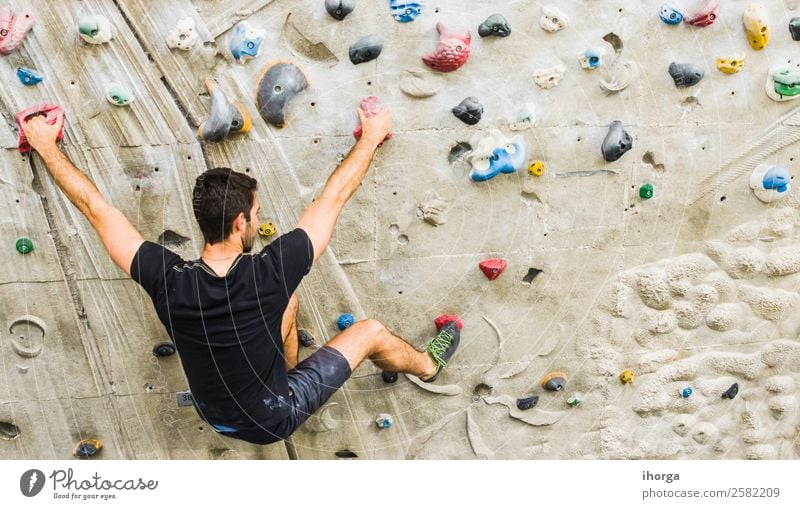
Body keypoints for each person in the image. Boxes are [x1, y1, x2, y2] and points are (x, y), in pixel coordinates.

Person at [23, 106, 461, 445]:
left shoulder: (166, 277)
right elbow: (333, 199)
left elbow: (95, 208)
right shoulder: (271, 270)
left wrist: (44, 144)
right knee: (369, 331)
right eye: (255, 214)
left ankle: (286, 370)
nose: (258, 219)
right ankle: (427, 366)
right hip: (273, 419)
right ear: (239, 223)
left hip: (214, 415)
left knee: (287, 301)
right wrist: (370, 138)